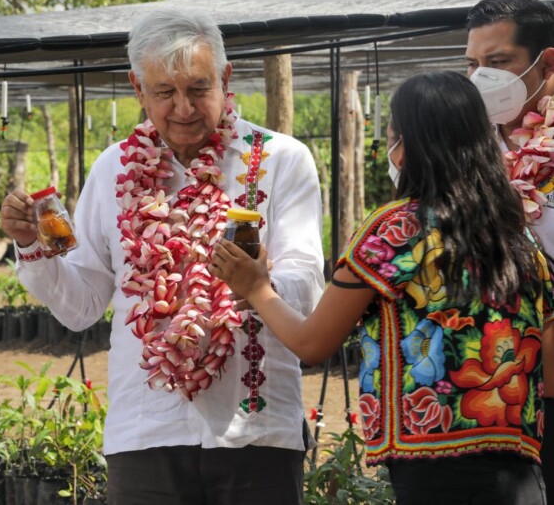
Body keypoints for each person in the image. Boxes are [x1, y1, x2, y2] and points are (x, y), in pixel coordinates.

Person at [0, 8, 324, 505]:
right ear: (137, 88)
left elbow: (305, 287)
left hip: (255, 429)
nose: (184, 108)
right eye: (164, 93)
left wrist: (252, 285)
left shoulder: (280, 159)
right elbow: (81, 305)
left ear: (226, 77)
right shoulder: (112, 170)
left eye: (198, 89)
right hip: (146, 430)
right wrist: (31, 247)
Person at [210, 71, 553, 505]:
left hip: (433, 478)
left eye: (392, 134)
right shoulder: (520, 240)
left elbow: (312, 343)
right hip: (521, 477)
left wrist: (257, 287)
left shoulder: (396, 229)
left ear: (407, 145)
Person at [465, 0, 554, 502]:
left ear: (547, 64)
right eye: (472, 65)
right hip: (497, 390)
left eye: (498, 63)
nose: (482, 79)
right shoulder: (468, 152)